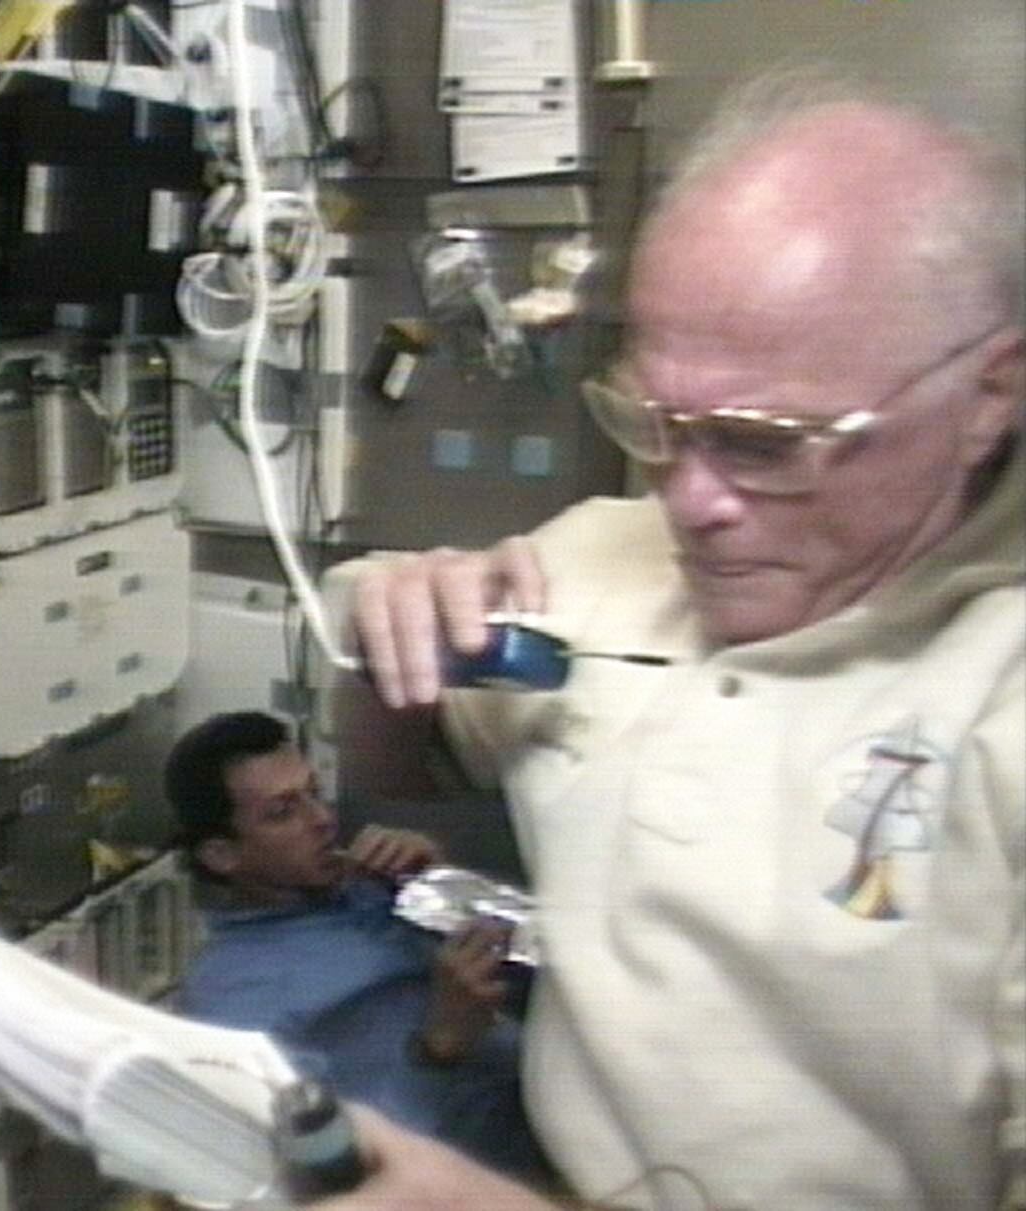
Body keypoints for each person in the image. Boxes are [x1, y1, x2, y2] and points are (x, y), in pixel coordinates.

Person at [319, 78, 1026, 1210]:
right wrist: (392, 632)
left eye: (762, 442)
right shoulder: (601, 555)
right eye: (653, 423)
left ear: (989, 394)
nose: (688, 502)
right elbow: (395, 772)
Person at [164, 710, 549, 1179]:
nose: (324, 820)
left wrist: (442, 886)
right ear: (222, 854)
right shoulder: (231, 1003)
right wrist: (438, 1049)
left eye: (315, 793)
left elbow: (533, 959)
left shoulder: (366, 889)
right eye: (284, 812)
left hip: (550, 1109)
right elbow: (324, 1175)